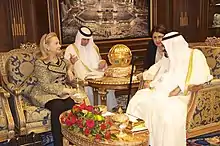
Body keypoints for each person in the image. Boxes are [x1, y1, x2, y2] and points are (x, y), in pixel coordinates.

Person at [126, 32, 213, 146]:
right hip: (162, 91)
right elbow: (157, 68)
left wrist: (179, 88)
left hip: (181, 95)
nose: (164, 50)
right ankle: (143, 141)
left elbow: (202, 76)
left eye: (166, 46)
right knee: (138, 99)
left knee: (165, 111)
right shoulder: (169, 55)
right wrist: (145, 76)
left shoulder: (195, 55)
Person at [30, 32, 81, 146]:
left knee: (72, 106)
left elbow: (68, 66)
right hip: (43, 93)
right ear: (47, 47)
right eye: (56, 43)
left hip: (60, 93)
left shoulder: (62, 61)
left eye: (59, 43)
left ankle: (72, 141)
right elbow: (45, 85)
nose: (59, 46)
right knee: (58, 106)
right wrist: (65, 90)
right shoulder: (40, 63)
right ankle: (58, 143)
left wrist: (70, 69)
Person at [64, 26, 118, 111]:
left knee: (108, 85)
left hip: (97, 75)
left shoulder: (94, 48)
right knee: (89, 87)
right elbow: (65, 68)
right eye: (84, 39)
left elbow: (98, 63)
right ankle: (92, 110)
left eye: (87, 39)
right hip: (82, 78)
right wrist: (71, 62)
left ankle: (108, 110)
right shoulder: (71, 49)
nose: (86, 42)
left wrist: (102, 63)